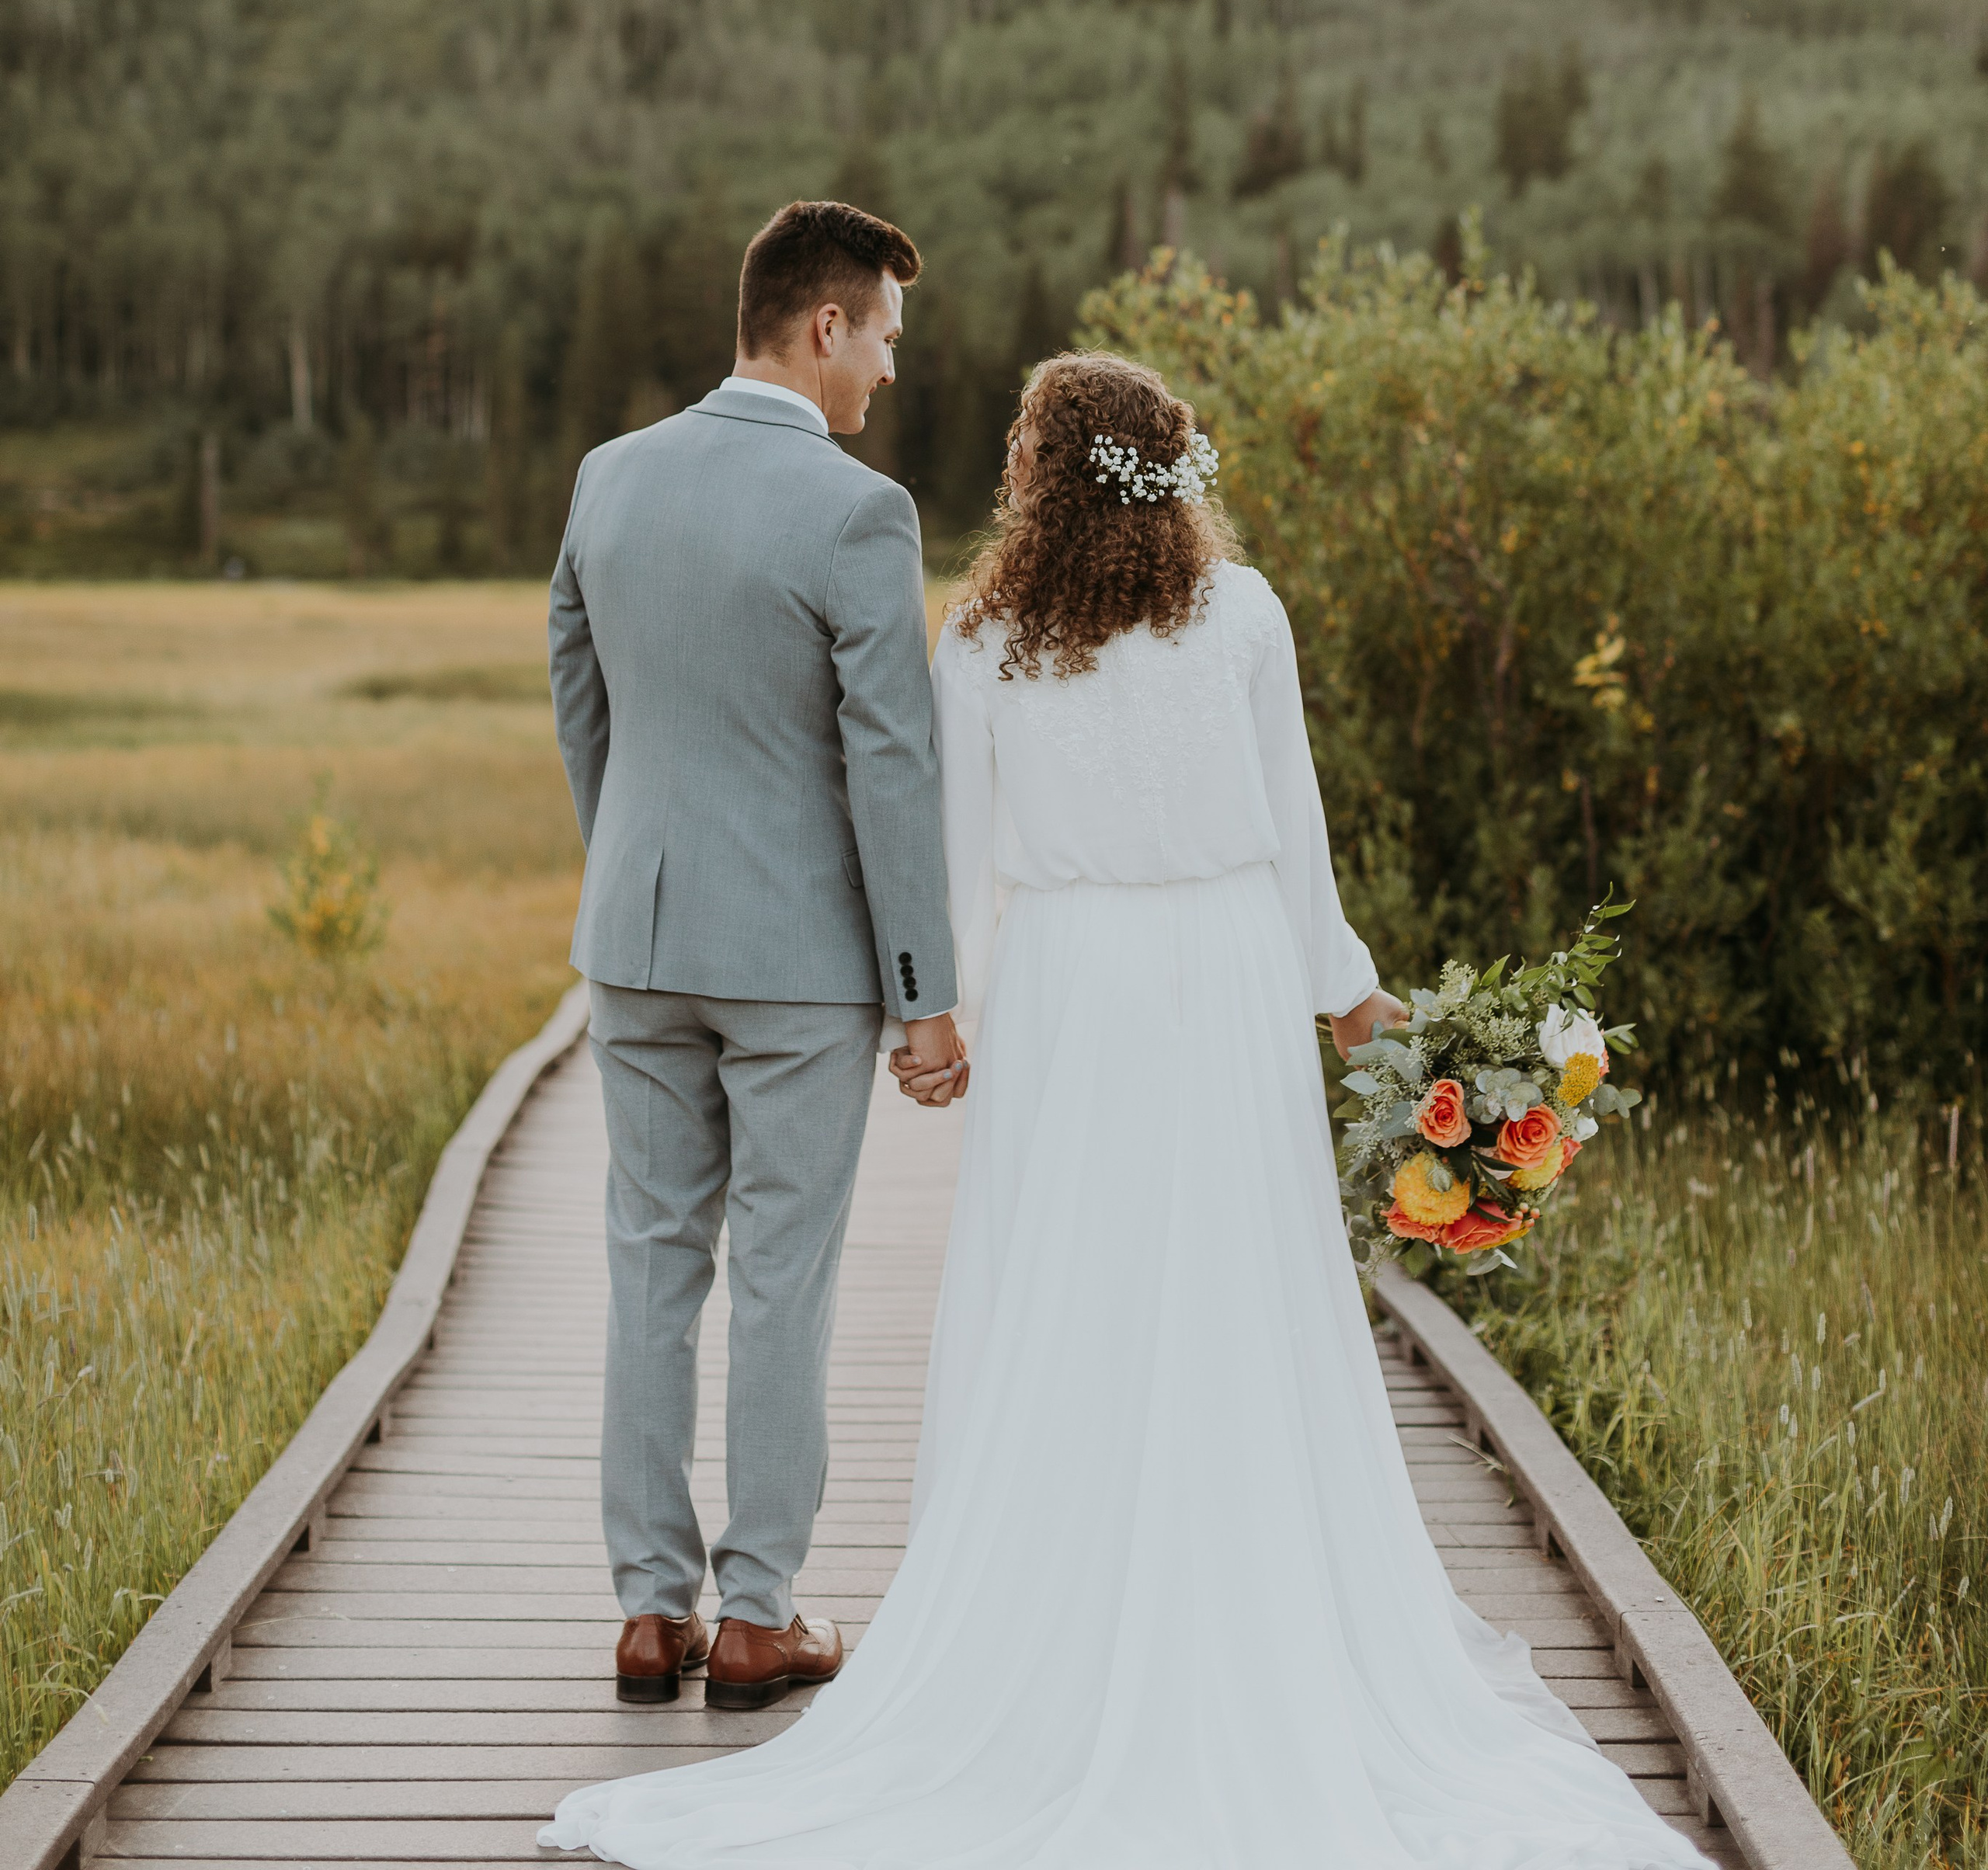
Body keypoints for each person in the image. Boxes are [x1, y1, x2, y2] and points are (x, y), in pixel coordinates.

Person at [545, 350, 1707, 1867]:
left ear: (1036, 479)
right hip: (1223, 972)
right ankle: (1234, 1587)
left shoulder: (986, 637)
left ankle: (1018, 1597)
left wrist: (930, 1013)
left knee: (1061, 1290)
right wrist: (1350, 998)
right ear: (1171, 474)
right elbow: (1294, 838)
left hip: (1072, 982)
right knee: (1236, 1286)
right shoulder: (1239, 613)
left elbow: (950, 835)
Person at [547, 200, 968, 1719]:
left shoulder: (610, 480)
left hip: (636, 943)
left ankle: (648, 1612)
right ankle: (757, 1616)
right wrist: (921, 995)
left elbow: (575, 691)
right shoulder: (859, 511)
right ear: (822, 327)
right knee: (782, 1275)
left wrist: (632, 865)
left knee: (649, 1260)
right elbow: (890, 761)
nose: (888, 378)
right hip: (797, 962)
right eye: (883, 342)